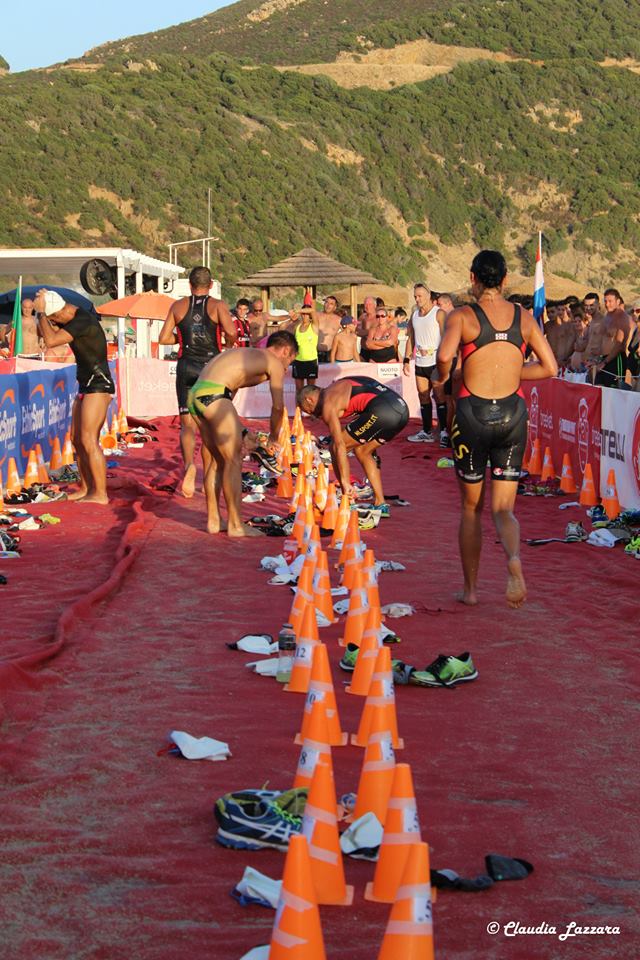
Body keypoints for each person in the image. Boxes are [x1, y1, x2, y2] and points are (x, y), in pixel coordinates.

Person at [435, 250, 557, 609]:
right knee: (504, 509)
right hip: (513, 414)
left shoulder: (461, 316)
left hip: (473, 412)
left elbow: (443, 357)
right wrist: (510, 371)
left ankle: (471, 591)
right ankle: (514, 560)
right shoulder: (523, 317)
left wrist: (445, 380)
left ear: (473, 278)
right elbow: (550, 367)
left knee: (471, 509)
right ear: (504, 281)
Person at [187, 330, 298, 537]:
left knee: (216, 461)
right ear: (285, 351)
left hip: (196, 395)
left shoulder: (247, 356)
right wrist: (274, 437)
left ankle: (214, 520)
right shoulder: (272, 361)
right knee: (232, 461)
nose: (287, 367)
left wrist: (242, 431)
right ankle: (236, 525)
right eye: (290, 361)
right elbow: (278, 407)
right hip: (215, 395)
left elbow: (229, 395)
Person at [159, 266, 237, 498]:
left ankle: (188, 467)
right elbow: (232, 332)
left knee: (187, 425)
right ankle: (208, 477)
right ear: (211, 284)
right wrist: (227, 343)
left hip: (186, 366)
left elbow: (163, 338)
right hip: (211, 367)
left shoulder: (178, 305)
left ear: (189, 285)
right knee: (211, 426)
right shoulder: (218, 305)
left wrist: (181, 338)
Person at [33, 289, 115, 505]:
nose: (52, 322)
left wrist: (41, 313)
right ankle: (86, 488)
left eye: (52, 319)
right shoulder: (69, 316)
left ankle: (100, 493)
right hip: (86, 384)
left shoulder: (83, 322)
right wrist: (41, 312)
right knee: (77, 439)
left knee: (89, 439)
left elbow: (50, 341)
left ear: (58, 314)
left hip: (99, 385)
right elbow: (44, 334)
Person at [297, 376, 409, 510]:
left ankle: (346, 495)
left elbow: (339, 446)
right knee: (363, 451)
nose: (314, 415)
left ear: (309, 399)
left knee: (334, 447)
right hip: (402, 411)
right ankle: (381, 503)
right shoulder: (337, 385)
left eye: (309, 411)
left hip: (382, 411)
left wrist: (344, 481)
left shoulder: (328, 404)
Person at [403, 284, 446, 443]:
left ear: (428, 295)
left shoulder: (439, 314)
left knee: (440, 397)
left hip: (435, 362)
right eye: (415, 296)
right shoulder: (414, 315)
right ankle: (426, 431)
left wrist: (443, 358)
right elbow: (411, 339)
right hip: (420, 363)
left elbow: (446, 337)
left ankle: (443, 432)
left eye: (420, 296)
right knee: (423, 396)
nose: (417, 299)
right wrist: (407, 359)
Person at [593, 288, 633, 388]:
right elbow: (602, 339)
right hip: (603, 360)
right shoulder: (607, 316)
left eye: (610, 301)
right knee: (599, 391)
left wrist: (605, 362)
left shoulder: (622, 317)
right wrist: (596, 358)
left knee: (612, 394)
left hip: (615, 360)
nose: (607, 304)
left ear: (618, 301)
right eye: (605, 301)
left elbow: (619, 345)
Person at [291, 306, 320, 391]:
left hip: (311, 361)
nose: (304, 316)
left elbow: (313, 310)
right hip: (298, 360)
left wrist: (298, 310)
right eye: (302, 314)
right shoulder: (297, 326)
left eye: (306, 314)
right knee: (299, 390)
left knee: (310, 390)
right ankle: (298, 405)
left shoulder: (314, 326)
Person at [316, 295, 341, 363]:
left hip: (329, 355)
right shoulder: (316, 316)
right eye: (326, 302)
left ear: (335, 307)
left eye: (331, 304)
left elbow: (348, 332)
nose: (328, 305)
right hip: (314, 353)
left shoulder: (338, 320)